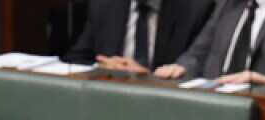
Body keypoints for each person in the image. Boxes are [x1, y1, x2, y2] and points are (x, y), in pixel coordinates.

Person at [67, 0, 214, 72]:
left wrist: (147, 78)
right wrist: (101, 67)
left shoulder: (195, 9)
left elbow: (197, 73)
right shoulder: (105, 5)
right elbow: (77, 58)